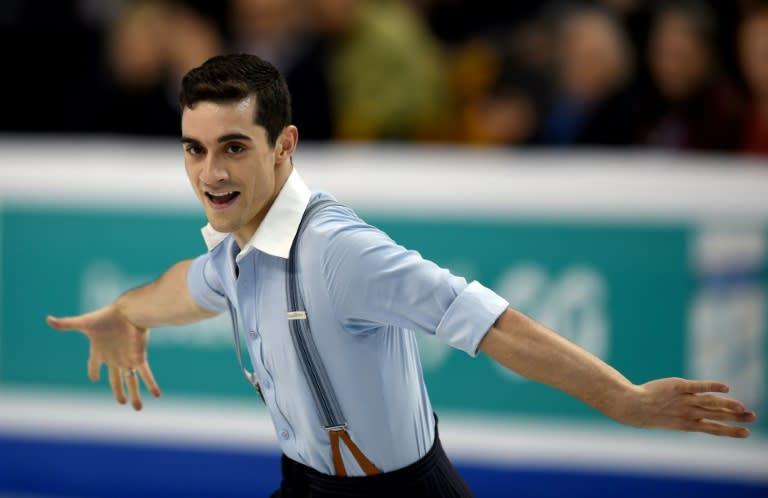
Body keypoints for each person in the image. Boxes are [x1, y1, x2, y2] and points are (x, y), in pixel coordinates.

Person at [46, 54, 757, 498]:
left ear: (284, 146)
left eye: (233, 147)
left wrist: (625, 401)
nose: (211, 173)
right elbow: (183, 287)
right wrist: (126, 313)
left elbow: (496, 327)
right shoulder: (237, 253)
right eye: (194, 150)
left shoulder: (338, 252)